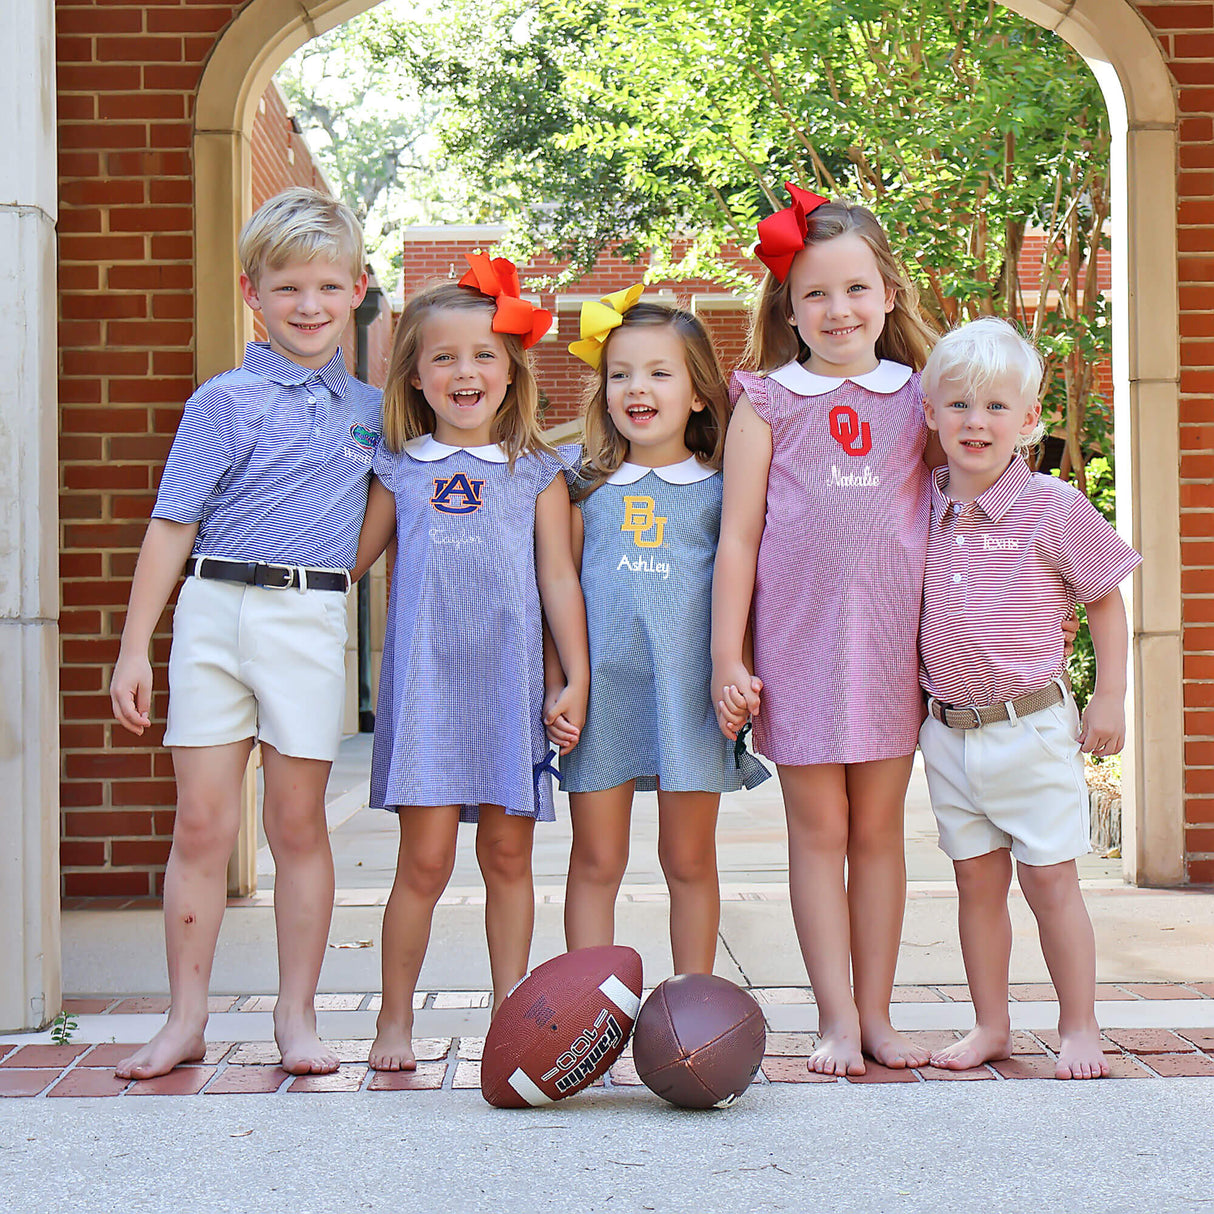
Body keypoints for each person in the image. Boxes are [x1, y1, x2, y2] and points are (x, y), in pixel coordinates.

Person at [109, 187, 378, 1079]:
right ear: (252, 291)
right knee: (203, 823)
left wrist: (344, 575)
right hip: (214, 614)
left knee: (298, 824)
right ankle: (184, 1019)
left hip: (307, 617)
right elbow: (172, 524)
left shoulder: (375, 413)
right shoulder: (221, 401)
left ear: (359, 290)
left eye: (328, 287)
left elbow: (393, 509)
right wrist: (134, 644)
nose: (309, 306)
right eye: (289, 287)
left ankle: (296, 1019)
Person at [712, 184, 941, 1076]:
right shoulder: (768, 400)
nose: (838, 310)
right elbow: (737, 538)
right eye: (815, 294)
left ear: (888, 294)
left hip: (890, 648)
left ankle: (879, 1015)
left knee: (880, 832)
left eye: (855, 290)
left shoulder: (922, 397)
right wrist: (728, 653)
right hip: (798, 649)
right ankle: (835, 1019)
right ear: (789, 307)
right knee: (817, 833)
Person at [351, 254, 589, 1072]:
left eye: (485, 354)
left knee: (509, 858)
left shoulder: (537, 474)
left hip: (507, 690)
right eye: (445, 356)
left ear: (512, 369)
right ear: (414, 374)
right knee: (422, 862)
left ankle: (507, 1019)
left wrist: (573, 677)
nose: (466, 371)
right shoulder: (397, 469)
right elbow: (345, 566)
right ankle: (392, 1022)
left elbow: (559, 580)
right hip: (425, 693)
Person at [918, 317, 1140, 1079]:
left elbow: (1106, 599)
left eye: (995, 407)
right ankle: (990, 1026)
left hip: (1032, 727)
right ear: (930, 413)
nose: (975, 422)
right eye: (958, 406)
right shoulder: (923, 501)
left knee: (1050, 884)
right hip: (948, 732)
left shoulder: (1053, 507)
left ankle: (1079, 1027)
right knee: (976, 884)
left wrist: (1108, 698)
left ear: (1030, 419)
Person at [556, 289, 769, 975]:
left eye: (658, 372)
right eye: (619, 374)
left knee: (687, 858)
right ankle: (584, 1008)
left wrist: (737, 667)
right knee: (595, 858)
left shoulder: (721, 489)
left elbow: (745, 594)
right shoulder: (582, 487)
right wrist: (561, 684)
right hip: (603, 704)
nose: (636, 388)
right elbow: (554, 596)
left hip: (689, 700)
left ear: (700, 394)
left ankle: (692, 1002)